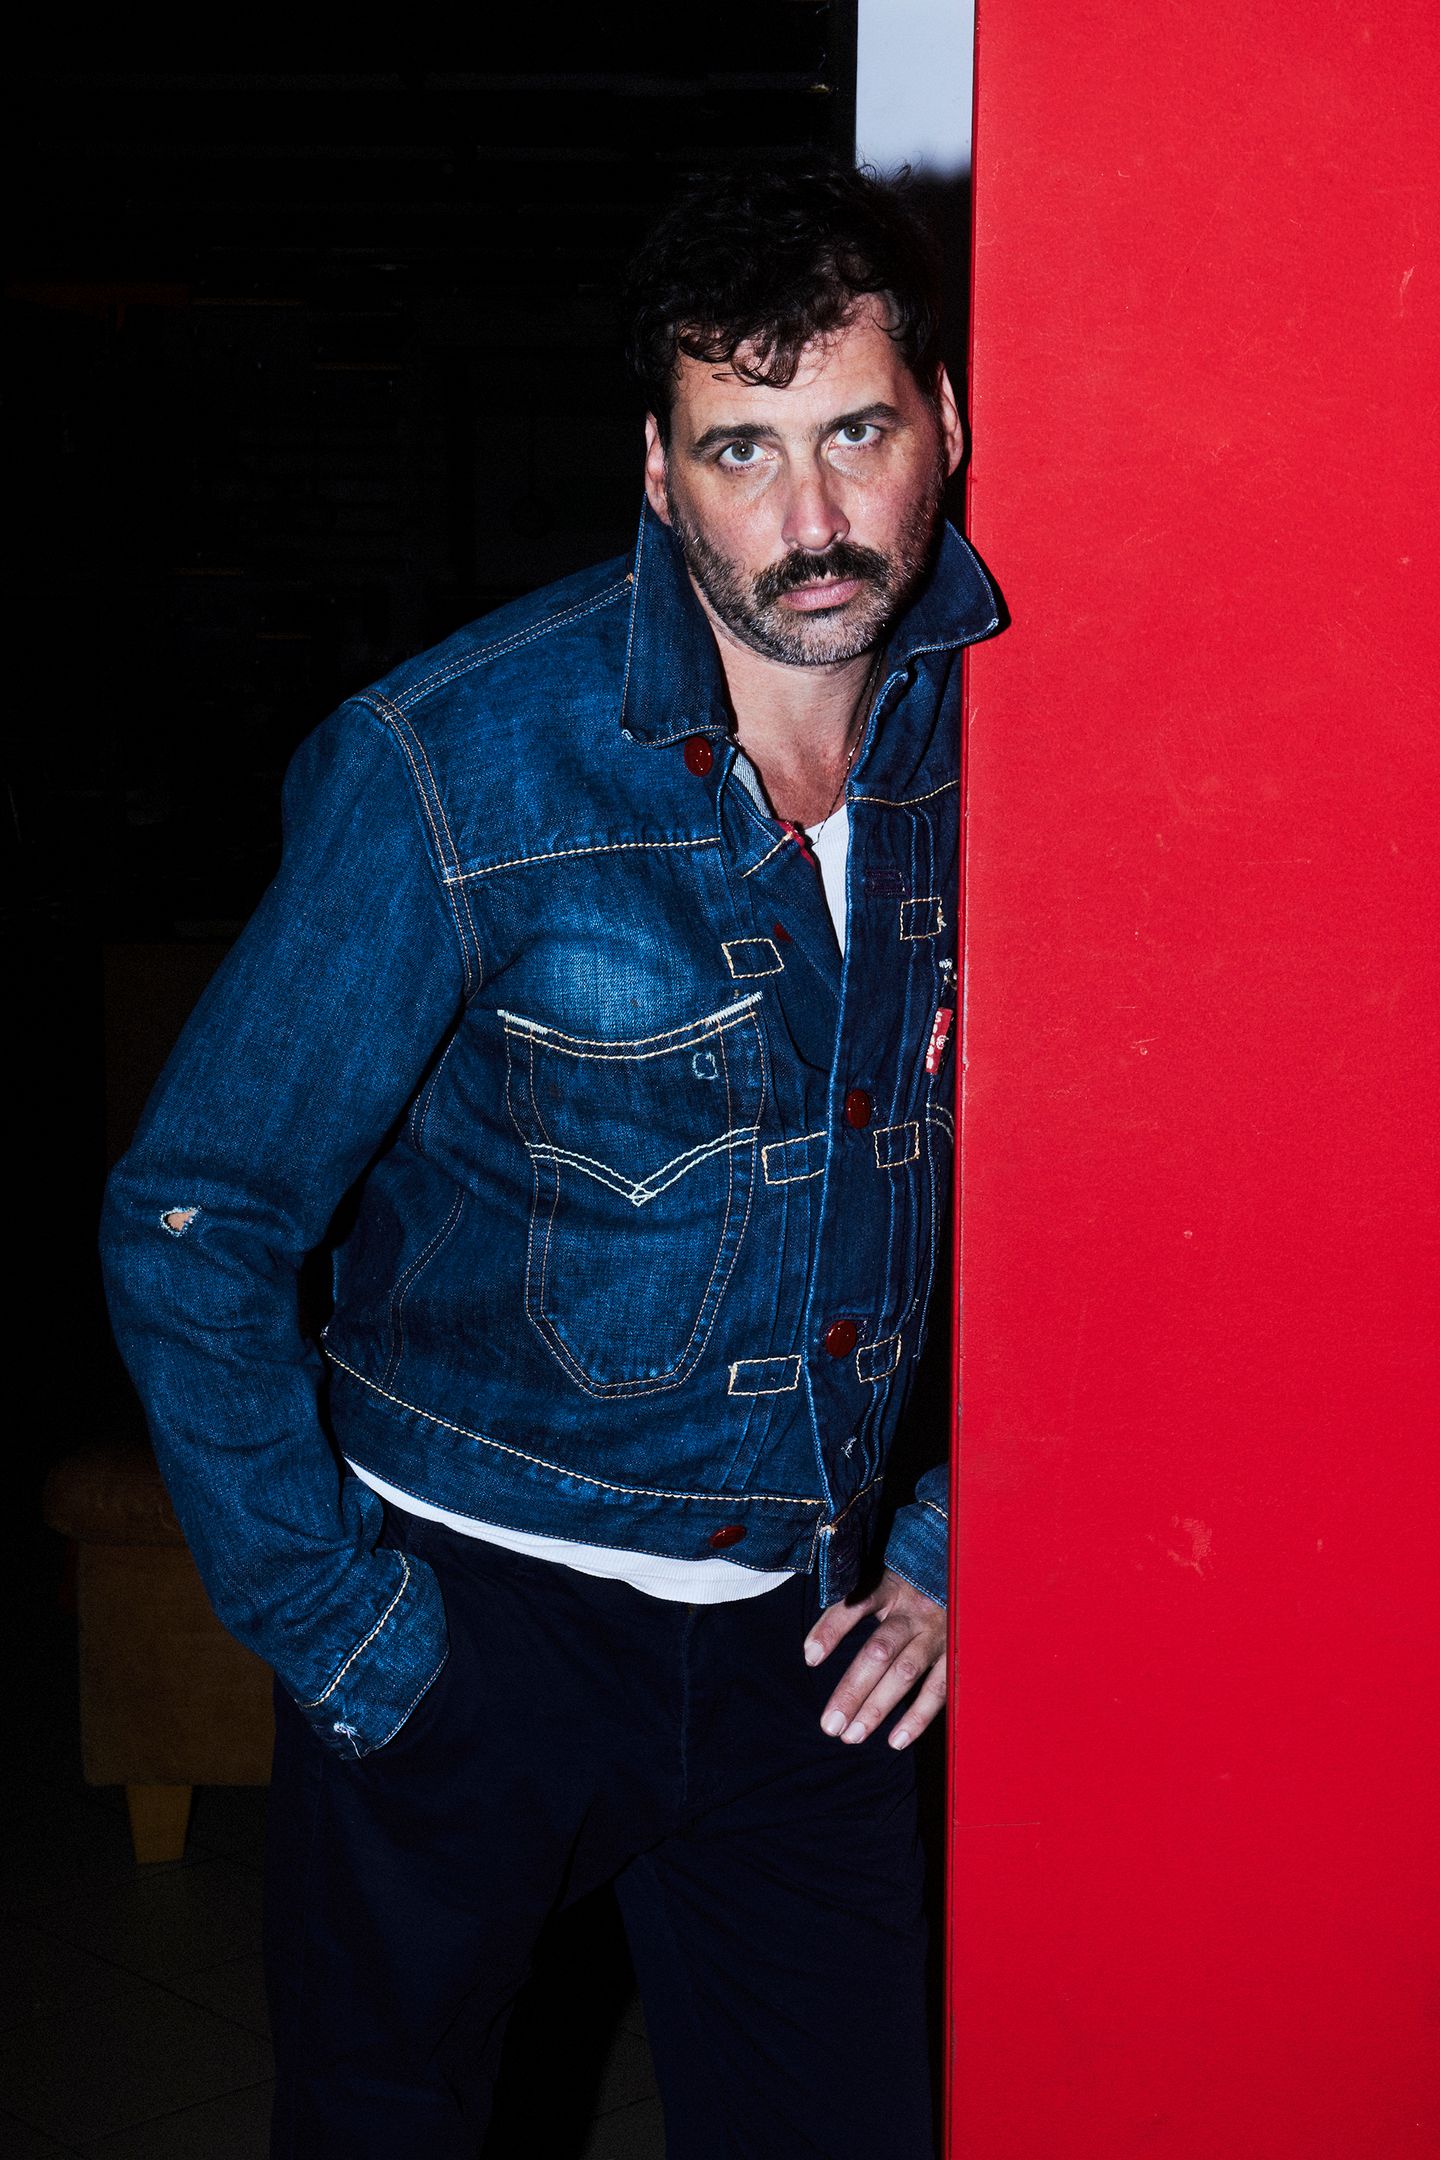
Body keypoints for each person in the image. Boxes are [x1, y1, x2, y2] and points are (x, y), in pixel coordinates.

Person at [100, 161, 999, 2159]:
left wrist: (955, 1538)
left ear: (945, 420)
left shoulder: (1024, 753)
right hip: (476, 1621)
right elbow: (192, 1218)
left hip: (812, 1640)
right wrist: (350, 1638)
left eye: (856, 433)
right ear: (661, 477)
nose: (814, 517)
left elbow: (1105, 1206)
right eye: (742, 451)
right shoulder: (457, 761)